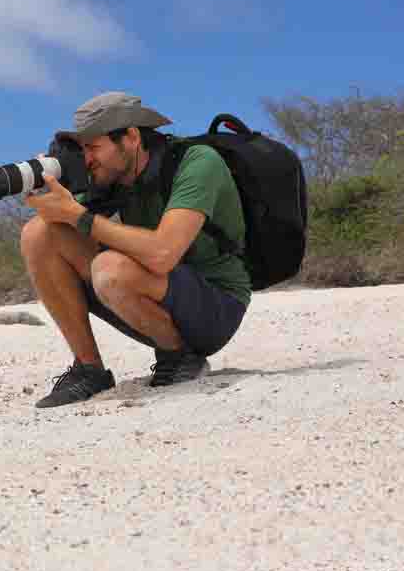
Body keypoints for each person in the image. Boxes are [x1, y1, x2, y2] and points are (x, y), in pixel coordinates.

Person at [20, 91, 251, 408]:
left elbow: (162, 254)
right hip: (152, 297)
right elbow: (65, 234)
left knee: (109, 269)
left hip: (216, 305)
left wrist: (76, 215)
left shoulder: (197, 162)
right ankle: (89, 369)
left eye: (93, 147)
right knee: (39, 233)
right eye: (82, 149)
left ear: (130, 137)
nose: (86, 159)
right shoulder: (113, 176)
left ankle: (180, 356)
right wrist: (55, 198)